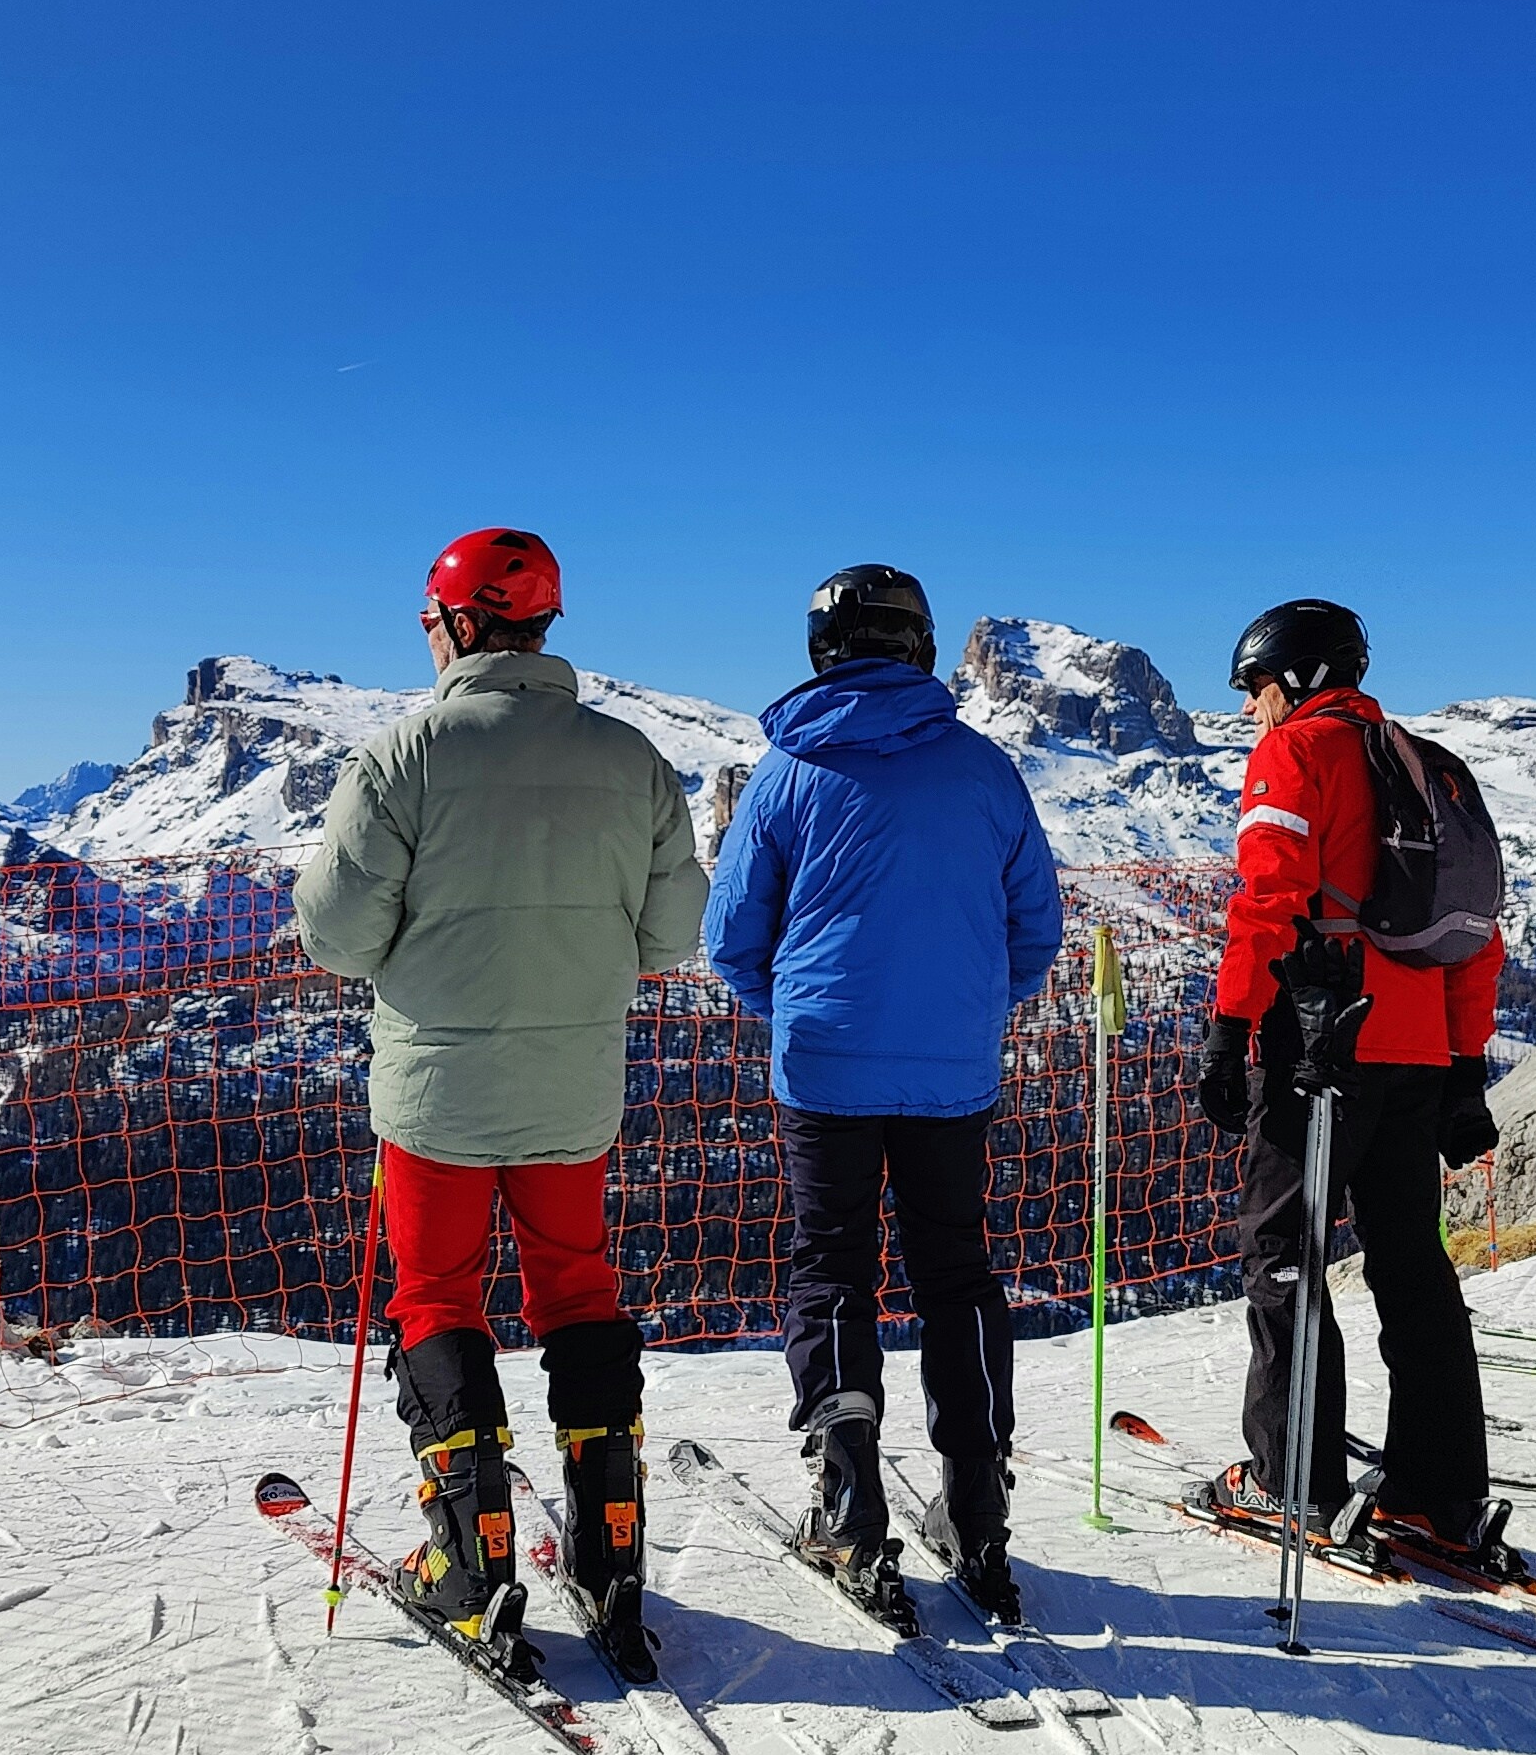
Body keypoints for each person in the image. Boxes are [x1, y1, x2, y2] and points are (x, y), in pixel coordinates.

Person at [296, 528, 708, 1681]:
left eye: (430, 619)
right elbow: (673, 938)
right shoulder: (634, 761)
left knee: (436, 1293)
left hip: (432, 1093)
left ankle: (470, 1561)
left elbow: (333, 935)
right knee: (577, 1287)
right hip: (574, 1087)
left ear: (464, 622)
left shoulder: (400, 758)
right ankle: (611, 1551)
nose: (426, 637)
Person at [703, 565, 1063, 1626]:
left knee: (834, 1269)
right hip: (952, 1073)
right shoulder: (984, 768)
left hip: (823, 1068)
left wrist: (804, 1011)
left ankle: (850, 1506)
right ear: (916, 644)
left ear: (822, 648)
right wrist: (963, 1010)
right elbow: (1032, 926)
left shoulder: (785, 771)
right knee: (957, 1275)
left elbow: (731, 940)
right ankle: (978, 1511)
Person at [1190, 599, 1512, 1563]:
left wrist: (1230, 1026)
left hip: (1322, 1047)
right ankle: (1439, 1490)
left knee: (1284, 1253)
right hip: (1418, 1053)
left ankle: (1293, 1485)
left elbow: (1267, 897)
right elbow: (1475, 936)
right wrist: (1463, 1068)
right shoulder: (1432, 764)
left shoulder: (1299, 753)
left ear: (1295, 679)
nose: (1253, 710)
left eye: (1256, 690)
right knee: (1413, 1264)